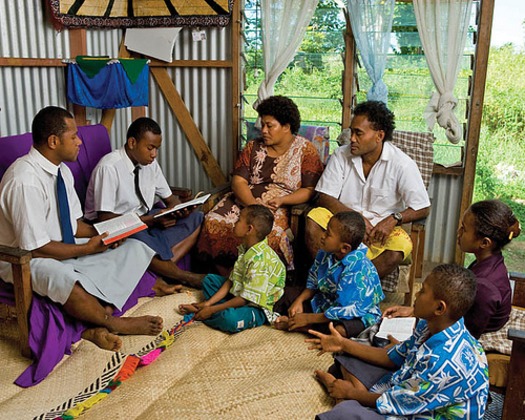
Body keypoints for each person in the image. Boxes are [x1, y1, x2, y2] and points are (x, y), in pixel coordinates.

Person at [0, 106, 165, 352]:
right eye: (74, 136)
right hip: (22, 259)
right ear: (54, 141)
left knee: (133, 248)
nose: (80, 141)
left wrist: (106, 234)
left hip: (60, 245)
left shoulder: (61, 172)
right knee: (64, 278)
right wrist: (89, 249)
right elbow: (35, 248)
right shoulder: (25, 181)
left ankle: (89, 325)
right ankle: (113, 321)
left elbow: (75, 224)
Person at [307, 264, 489, 419]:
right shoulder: (430, 325)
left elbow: (397, 401)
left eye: (423, 291)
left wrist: (349, 393)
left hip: (424, 412)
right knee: (348, 358)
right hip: (410, 388)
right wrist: (342, 343)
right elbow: (392, 357)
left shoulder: (442, 363)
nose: (417, 294)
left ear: (439, 308)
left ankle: (343, 396)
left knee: (344, 414)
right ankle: (347, 396)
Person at [196, 95, 324, 274]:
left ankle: (261, 279)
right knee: (213, 220)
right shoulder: (252, 147)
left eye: (269, 126)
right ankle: (225, 276)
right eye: (262, 124)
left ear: (286, 127)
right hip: (244, 199)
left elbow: (310, 190)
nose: (263, 130)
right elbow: (238, 181)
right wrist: (252, 205)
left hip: (278, 204)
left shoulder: (305, 150)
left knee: (270, 233)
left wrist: (283, 200)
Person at [306, 100, 430, 282]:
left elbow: (422, 207)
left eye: (358, 133)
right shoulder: (341, 155)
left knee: (400, 245)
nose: (352, 139)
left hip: (377, 233)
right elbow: (324, 196)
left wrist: (394, 219)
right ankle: (328, 282)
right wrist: (356, 220)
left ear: (379, 136)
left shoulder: (402, 164)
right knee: (314, 219)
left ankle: (357, 288)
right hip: (343, 224)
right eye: (351, 131)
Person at [85, 117, 204, 287]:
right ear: (132, 143)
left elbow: (171, 199)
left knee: (197, 218)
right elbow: (105, 219)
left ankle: (162, 270)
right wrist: (149, 221)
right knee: (137, 236)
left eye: (157, 149)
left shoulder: (150, 164)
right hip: (119, 224)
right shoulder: (109, 167)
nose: (154, 154)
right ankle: (183, 276)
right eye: (150, 148)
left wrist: (178, 210)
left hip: (146, 218)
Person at [384, 199, 521, 339]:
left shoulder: (484, 287)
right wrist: (415, 311)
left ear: (484, 243)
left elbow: (466, 333)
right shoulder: (490, 262)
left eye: (464, 228)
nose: (458, 232)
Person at [274, 211, 384, 338]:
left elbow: (344, 311)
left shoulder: (356, 270)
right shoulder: (325, 253)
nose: (322, 236)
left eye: (328, 234)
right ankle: (299, 322)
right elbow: (313, 282)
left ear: (344, 248)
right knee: (286, 293)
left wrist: (308, 318)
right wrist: (299, 301)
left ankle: (303, 326)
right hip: (325, 302)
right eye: (325, 230)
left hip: (354, 313)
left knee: (340, 330)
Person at [179, 205, 286, 333]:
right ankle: (217, 310)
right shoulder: (246, 248)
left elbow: (245, 299)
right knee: (209, 280)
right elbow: (231, 281)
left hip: (255, 307)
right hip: (239, 294)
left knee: (229, 320)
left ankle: (205, 314)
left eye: (239, 220)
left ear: (249, 229)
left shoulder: (260, 261)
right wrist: (207, 304)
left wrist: (211, 309)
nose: (235, 222)